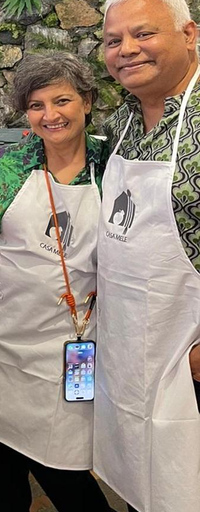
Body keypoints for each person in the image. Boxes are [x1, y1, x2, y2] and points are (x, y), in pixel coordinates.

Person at [0, 52, 112, 512]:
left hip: (72, 346)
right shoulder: (8, 167)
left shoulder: (114, 169)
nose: (50, 115)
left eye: (62, 100)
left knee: (68, 468)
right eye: (36, 105)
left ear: (87, 101)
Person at [96, 1, 200, 511]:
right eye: (114, 41)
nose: (127, 50)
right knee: (141, 484)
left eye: (143, 34)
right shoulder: (122, 121)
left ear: (189, 34)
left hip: (190, 358)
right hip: (129, 347)